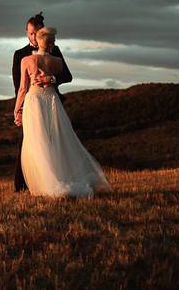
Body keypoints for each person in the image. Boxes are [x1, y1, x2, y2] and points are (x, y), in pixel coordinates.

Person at [13, 27, 112, 198]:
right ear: (51, 44)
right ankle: (61, 176)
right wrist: (51, 79)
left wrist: (16, 109)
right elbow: (62, 76)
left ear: (37, 40)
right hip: (52, 101)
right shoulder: (57, 62)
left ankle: (46, 182)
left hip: (34, 101)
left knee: (38, 142)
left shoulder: (26, 60)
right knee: (58, 139)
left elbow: (22, 88)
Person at [12, 12, 72, 192]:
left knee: (55, 140)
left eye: (36, 33)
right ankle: (21, 186)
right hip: (32, 102)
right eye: (30, 33)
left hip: (51, 101)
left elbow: (67, 76)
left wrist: (52, 79)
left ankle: (55, 179)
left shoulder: (55, 51)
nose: (33, 37)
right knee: (28, 143)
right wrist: (20, 109)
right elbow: (19, 86)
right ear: (26, 32)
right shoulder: (20, 55)